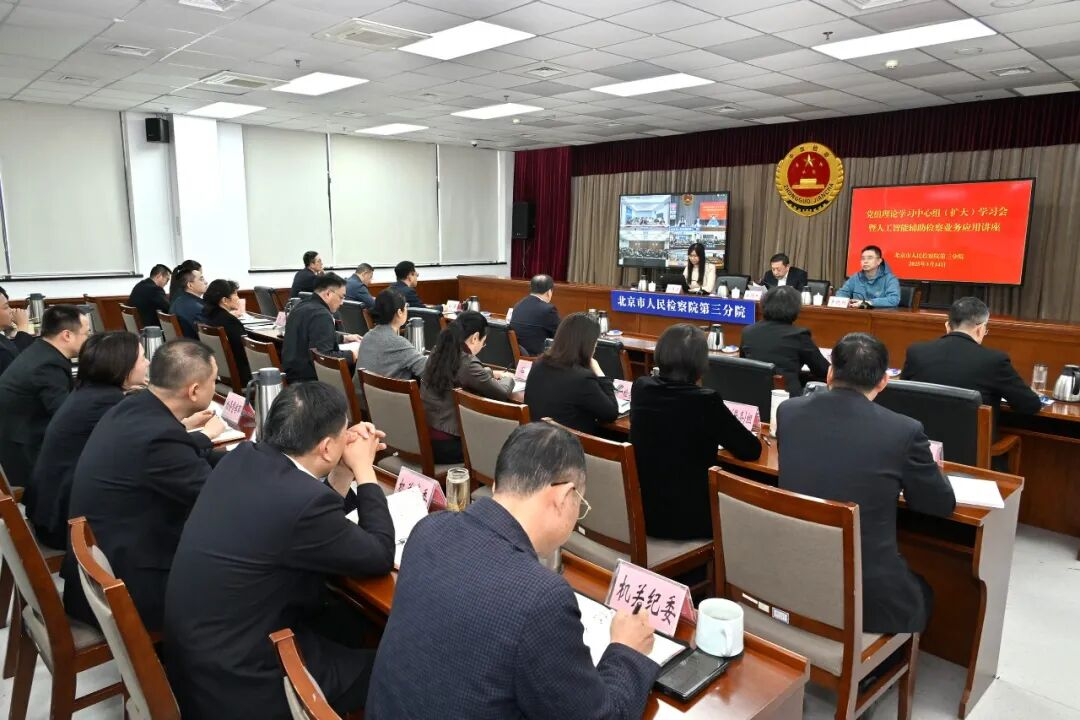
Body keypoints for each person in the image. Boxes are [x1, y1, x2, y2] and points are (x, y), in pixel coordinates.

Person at [366, 422, 659, 719]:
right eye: (579, 504)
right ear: (563, 496)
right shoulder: (542, 598)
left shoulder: (429, 529)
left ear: (498, 484)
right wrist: (626, 649)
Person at [164, 383, 394, 720]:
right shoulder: (302, 502)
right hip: (244, 681)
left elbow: (310, 524)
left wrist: (341, 470)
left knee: (350, 620)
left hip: (200, 657)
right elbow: (379, 555)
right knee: (394, 666)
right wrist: (364, 470)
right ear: (326, 447)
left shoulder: (242, 458)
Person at [776, 332, 956, 634]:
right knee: (923, 592)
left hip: (792, 575)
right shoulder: (904, 431)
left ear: (830, 373)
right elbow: (938, 504)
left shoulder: (788, 411)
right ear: (883, 381)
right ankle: (880, 659)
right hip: (862, 598)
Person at [61, 339, 228, 632]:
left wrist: (240, 459)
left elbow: (180, 456)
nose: (215, 387)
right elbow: (220, 500)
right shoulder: (160, 438)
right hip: (133, 587)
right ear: (194, 390)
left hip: (105, 561)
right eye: (214, 381)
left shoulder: (133, 406)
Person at [631, 324, 762, 540]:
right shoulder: (706, 401)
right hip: (691, 521)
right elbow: (750, 450)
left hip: (645, 514)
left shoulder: (641, 387)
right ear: (701, 363)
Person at [29, 332, 149, 549]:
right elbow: (147, 446)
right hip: (67, 524)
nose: (148, 363)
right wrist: (201, 434)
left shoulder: (90, 391)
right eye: (142, 358)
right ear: (123, 367)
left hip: (52, 508)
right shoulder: (106, 402)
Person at [902, 296, 1041, 433]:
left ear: (947, 326)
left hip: (922, 441)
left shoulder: (916, 352)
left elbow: (902, 394)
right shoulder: (994, 360)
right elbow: (1030, 405)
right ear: (980, 329)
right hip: (970, 445)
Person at [0, 305, 89, 502]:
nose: (88, 338)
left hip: (22, 439)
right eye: (86, 333)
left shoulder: (41, 351)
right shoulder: (47, 365)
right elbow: (66, 416)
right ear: (67, 335)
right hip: (26, 454)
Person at [421, 312, 515, 463]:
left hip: (426, 438)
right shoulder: (467, 362)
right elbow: (502, 392)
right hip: (449, 445)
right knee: (502, 442)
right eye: (483, 342)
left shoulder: (438, 350)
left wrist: (489, 372)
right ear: (475, 337)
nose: (482, 346)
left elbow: (462, 373)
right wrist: (507, 378)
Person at [525, 313, 618, 435]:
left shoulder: (538, 364)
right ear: (588, 344)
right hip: (569, 444)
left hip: (535, 438)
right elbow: (611, 413)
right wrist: (600, 373)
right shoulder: (582, 378)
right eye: (595, 342)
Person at [740, 285, 830, 396]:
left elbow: (743, 363)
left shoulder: (748, 331)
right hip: (787, 398)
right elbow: (822, 370)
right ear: (795, 309)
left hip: (751, 394)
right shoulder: (799, 335)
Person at [281, 273, 361, 383]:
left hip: (292, 373)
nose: (342, 302)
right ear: (328, 294)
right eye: (341, 297)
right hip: (309, 381)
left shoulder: (301, 305)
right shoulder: (321, 314)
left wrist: (344, 338)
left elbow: (313, 335)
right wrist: (353, 355)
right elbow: (323, 356)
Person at [356, 289, 426, 380]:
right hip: (386, 389)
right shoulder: (398, 343)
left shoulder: (367, 337)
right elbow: (429, 370)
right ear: (399, 312)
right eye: (406, 306)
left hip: (362, 389)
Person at [201, 279, 252, 385]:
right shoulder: (230, 321)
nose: (238, 298)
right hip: (242, 377)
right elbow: (245, 350)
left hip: (218, 374)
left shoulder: (208, 315)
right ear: (224, 300)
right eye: (235, 294)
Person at [510, 274, 560, 356]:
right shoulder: (548, 309)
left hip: (518, 355)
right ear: (549, 292)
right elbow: (560, 335)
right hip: (535, 357)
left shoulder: (518, 305)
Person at [835, 245, 900, 308]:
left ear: (879, 261)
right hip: (857, 313)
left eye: (870, 258)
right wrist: (845, 301)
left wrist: (868, 303)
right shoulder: (855, 277)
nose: (865, 261)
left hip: (879, 314)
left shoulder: (890, 279)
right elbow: (842, 293)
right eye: (863, 258)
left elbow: (894, 299)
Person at [0, 285, 34, 376]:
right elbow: (20, 363)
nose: (10, 311)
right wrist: (23, 326)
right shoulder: (3, 351)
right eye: (6, 307)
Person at [169, 265, 209, 339]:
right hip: (196, 344)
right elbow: (212, 332)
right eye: (201, 279)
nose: (206, 282)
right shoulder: (197, 308)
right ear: (190, 285)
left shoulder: (178, 301)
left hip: (182, 342)